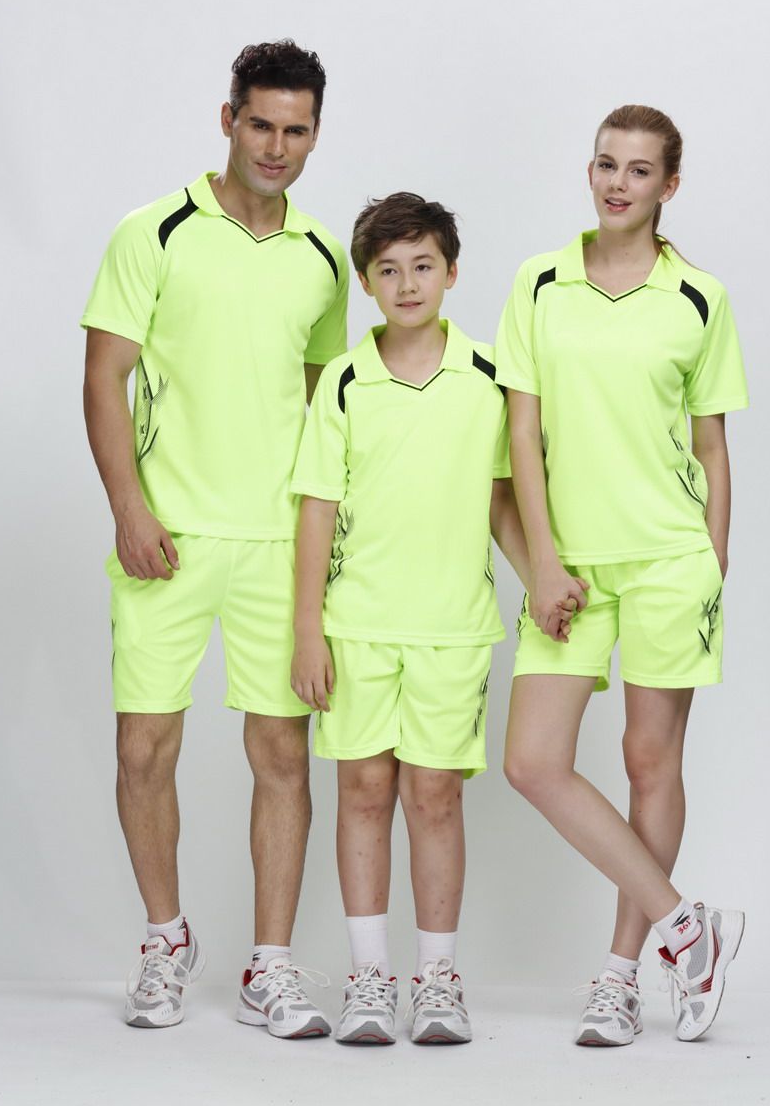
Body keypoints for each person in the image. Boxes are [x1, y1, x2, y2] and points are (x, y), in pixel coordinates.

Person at [81, 40, 348, 1035]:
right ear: (227, 119)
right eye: (260, 123)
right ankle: (165, 939)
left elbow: (324, 407)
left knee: (281, 750)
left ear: (314, 135)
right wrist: (129, 507)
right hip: (168, 536)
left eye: (296, 130)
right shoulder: (152, 232)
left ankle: (268, 967)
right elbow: (103, 376)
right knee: (143, 746)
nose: (276, 146)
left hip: (279, 544)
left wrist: (328, 541)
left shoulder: (324, 257)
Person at [290, 192, 573, 1045]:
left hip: (454, 628)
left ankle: (438, 980)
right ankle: (370, 978)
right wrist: (307, 629)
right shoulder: (345, 381)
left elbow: (502, 500)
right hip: (356, 628)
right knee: (363, 792)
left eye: (422, 266)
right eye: (388, 270)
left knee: (435, 797)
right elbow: (316, 508)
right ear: (367, 283)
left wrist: (541, 579)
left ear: (452, 272)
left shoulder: (489, 377)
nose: (407, 283)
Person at [496, 104, 748, 1046]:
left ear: (668, 185)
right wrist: (543, 561)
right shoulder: (538, 282)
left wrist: (712, 561)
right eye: (606, 164)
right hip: (570, 567)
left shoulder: (699, 298)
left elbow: (712, 446)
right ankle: (690, 926)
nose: (617, 183)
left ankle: (621, 974)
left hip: (669, 562)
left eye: (639, 171)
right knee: (532, 761)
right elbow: (521, 432)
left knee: (650, 761)